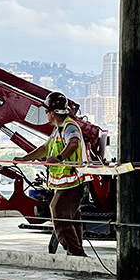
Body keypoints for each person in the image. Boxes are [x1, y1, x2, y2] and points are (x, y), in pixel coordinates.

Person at [23, 91, 88, 256]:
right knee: (72, 217)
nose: (46, 114)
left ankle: (75, 252)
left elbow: (73, 143)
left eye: (46, 111)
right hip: (66, 182)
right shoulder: (57, 129)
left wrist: (59, 158)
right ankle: (76, 254)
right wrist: (25, 158)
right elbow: (45, 149)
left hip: (72, 181)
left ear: (52, 113)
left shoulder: (69, 126)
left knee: (57, 211)